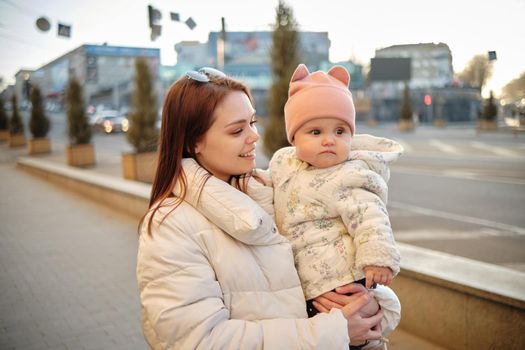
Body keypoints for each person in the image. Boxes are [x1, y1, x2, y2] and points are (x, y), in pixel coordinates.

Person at [136, 67, 384, 349]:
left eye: (253, 122)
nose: (254, 136)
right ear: (194, 142)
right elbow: (197, 341)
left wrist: (363, 302)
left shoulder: (274, 190)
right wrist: (332, 332)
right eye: (237, 130)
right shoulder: (169, 226)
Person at [254, 64, 403, 349]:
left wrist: (378, 257)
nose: (328, 140)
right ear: (293, 138)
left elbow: (370, 216)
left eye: (339, 131)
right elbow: (268, 186)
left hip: (343, 280)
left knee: (356, 328)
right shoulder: (284, 165)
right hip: (307, 282)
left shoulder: (350, 175)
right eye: (314, 131)